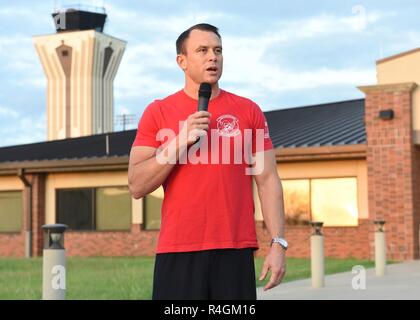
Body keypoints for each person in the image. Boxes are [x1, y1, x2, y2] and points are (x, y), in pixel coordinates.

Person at [128, 23, 287, 300]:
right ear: (182, 61)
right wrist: (179, 140)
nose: (213, 57)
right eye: (202, 50)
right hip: (178, 249)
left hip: (234, 249)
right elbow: (137, 184)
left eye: (218, 50)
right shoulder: (158, 112)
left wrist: (278, 243)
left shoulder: (248, 111)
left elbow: (268, 180)